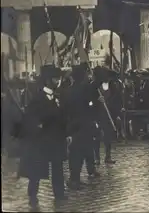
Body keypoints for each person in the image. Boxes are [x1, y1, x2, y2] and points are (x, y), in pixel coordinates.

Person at [18, 64, 69, 209]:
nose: (57, 81)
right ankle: (32, 192)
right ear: (46, 80)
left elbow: (63, 117)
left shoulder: (58, 97)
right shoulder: (37, 99)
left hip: (56, 138)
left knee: (58, 166)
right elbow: (30, 118)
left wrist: (66, 133)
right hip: (42, 140)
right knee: (37, 168)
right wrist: (37, 125)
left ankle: (59, 193)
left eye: (58, 78)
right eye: (54, 78)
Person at [64, 63, 101, 190]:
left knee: (76, 153)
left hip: (74, 125)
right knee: (78, 154)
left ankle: (75, 178)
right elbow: (90, 103)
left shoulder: (69, 90)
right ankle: (74, 180)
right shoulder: (83, 90)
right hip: (82, 125)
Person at [93, 66, 121, 165]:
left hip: (109, 114)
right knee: (96, 136)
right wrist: (97, 101)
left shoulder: (114, 87)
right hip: (98, 114)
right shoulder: (96, 87)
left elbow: (118, 101)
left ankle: (108, 156)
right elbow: (90, 101)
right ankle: (96, 158)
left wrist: (116, 113)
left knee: (107, 136)